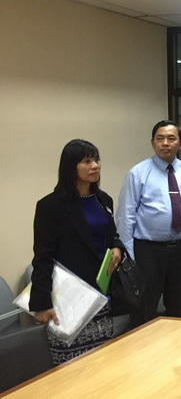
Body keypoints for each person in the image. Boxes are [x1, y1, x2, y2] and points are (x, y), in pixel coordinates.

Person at [30, 139, 124, 364]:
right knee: (71, 364)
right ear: (70, 166)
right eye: (87, 161)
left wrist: (117, 248)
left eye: (97, 160)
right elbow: (42, 257)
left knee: (102, 359)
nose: (95, 166)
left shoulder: (103, 200)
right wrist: (42, 303)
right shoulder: (50, 206)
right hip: (70, 296)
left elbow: (112, 236)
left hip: (101, 292)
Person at [116, 120, 181, 323]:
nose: (165, 143)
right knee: (144, 309)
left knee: (179, 307)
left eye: (171, 138)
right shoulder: (138, 173)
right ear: (152, 142)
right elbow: (125, 216)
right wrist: (129, 257)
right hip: (148, 251)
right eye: (160, 138)